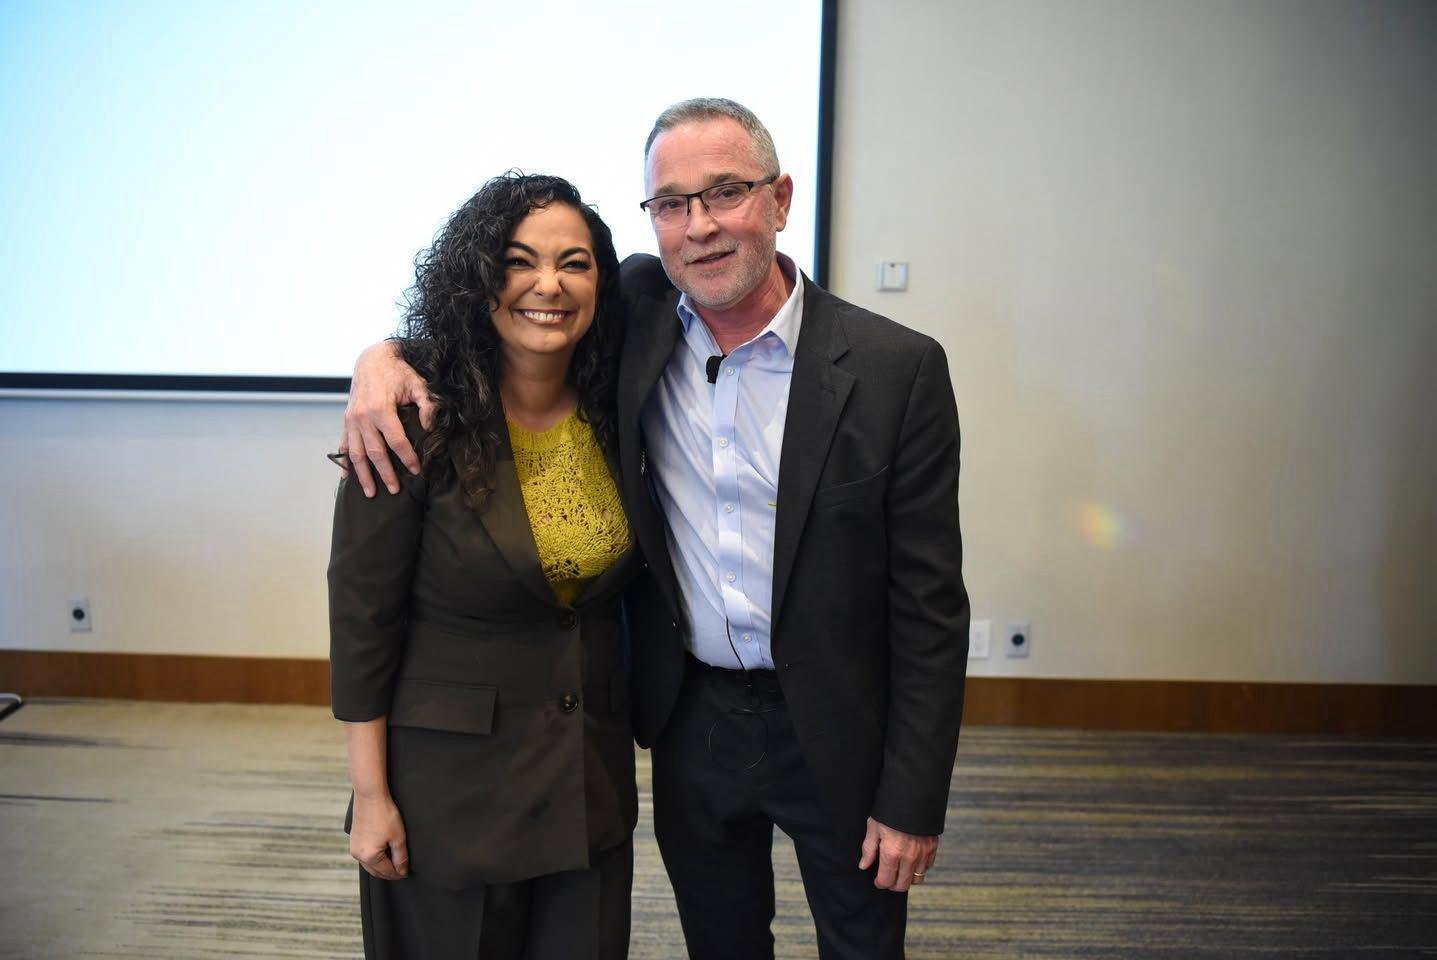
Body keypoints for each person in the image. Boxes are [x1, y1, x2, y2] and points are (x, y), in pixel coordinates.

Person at [342, 98, 970, 960]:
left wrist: (913, 799)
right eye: (671, 204)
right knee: (719, 942)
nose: (699, 226)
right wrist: (381, 358)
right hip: (692, 721)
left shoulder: (896, 369)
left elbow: (930, 610)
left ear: (781, 200)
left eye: (726, 193)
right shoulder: (636, 315)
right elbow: (492, 311)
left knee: (862, 947)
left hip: (839, 722)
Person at [328, 172, 637, 960]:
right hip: (448, 801)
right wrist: (370, 795)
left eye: (574, 263)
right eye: (517, 261)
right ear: (476, 279)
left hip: (586, 789)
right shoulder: (410, 423)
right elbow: (362, 618)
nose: (548, 285)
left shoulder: (620, 407)